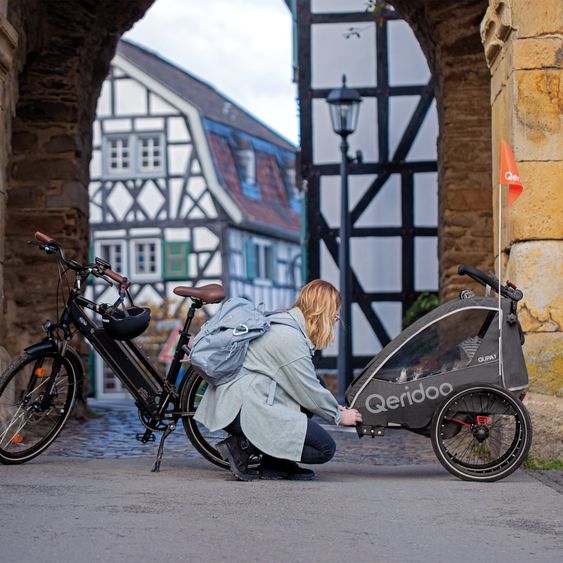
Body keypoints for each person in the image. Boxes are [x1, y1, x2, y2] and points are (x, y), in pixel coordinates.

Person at [194, 279, 363, 481]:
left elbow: (310, 386)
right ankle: (242, 447)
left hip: (248, 400)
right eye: (335, 310)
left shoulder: (287, 323)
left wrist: (334, 407)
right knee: (324, 449)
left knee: (320, 384)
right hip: (240, 410)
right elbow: (308, 390)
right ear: (321, 310)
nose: (337, 316)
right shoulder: (289, 338)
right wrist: (338, 416)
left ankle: (275, 464)